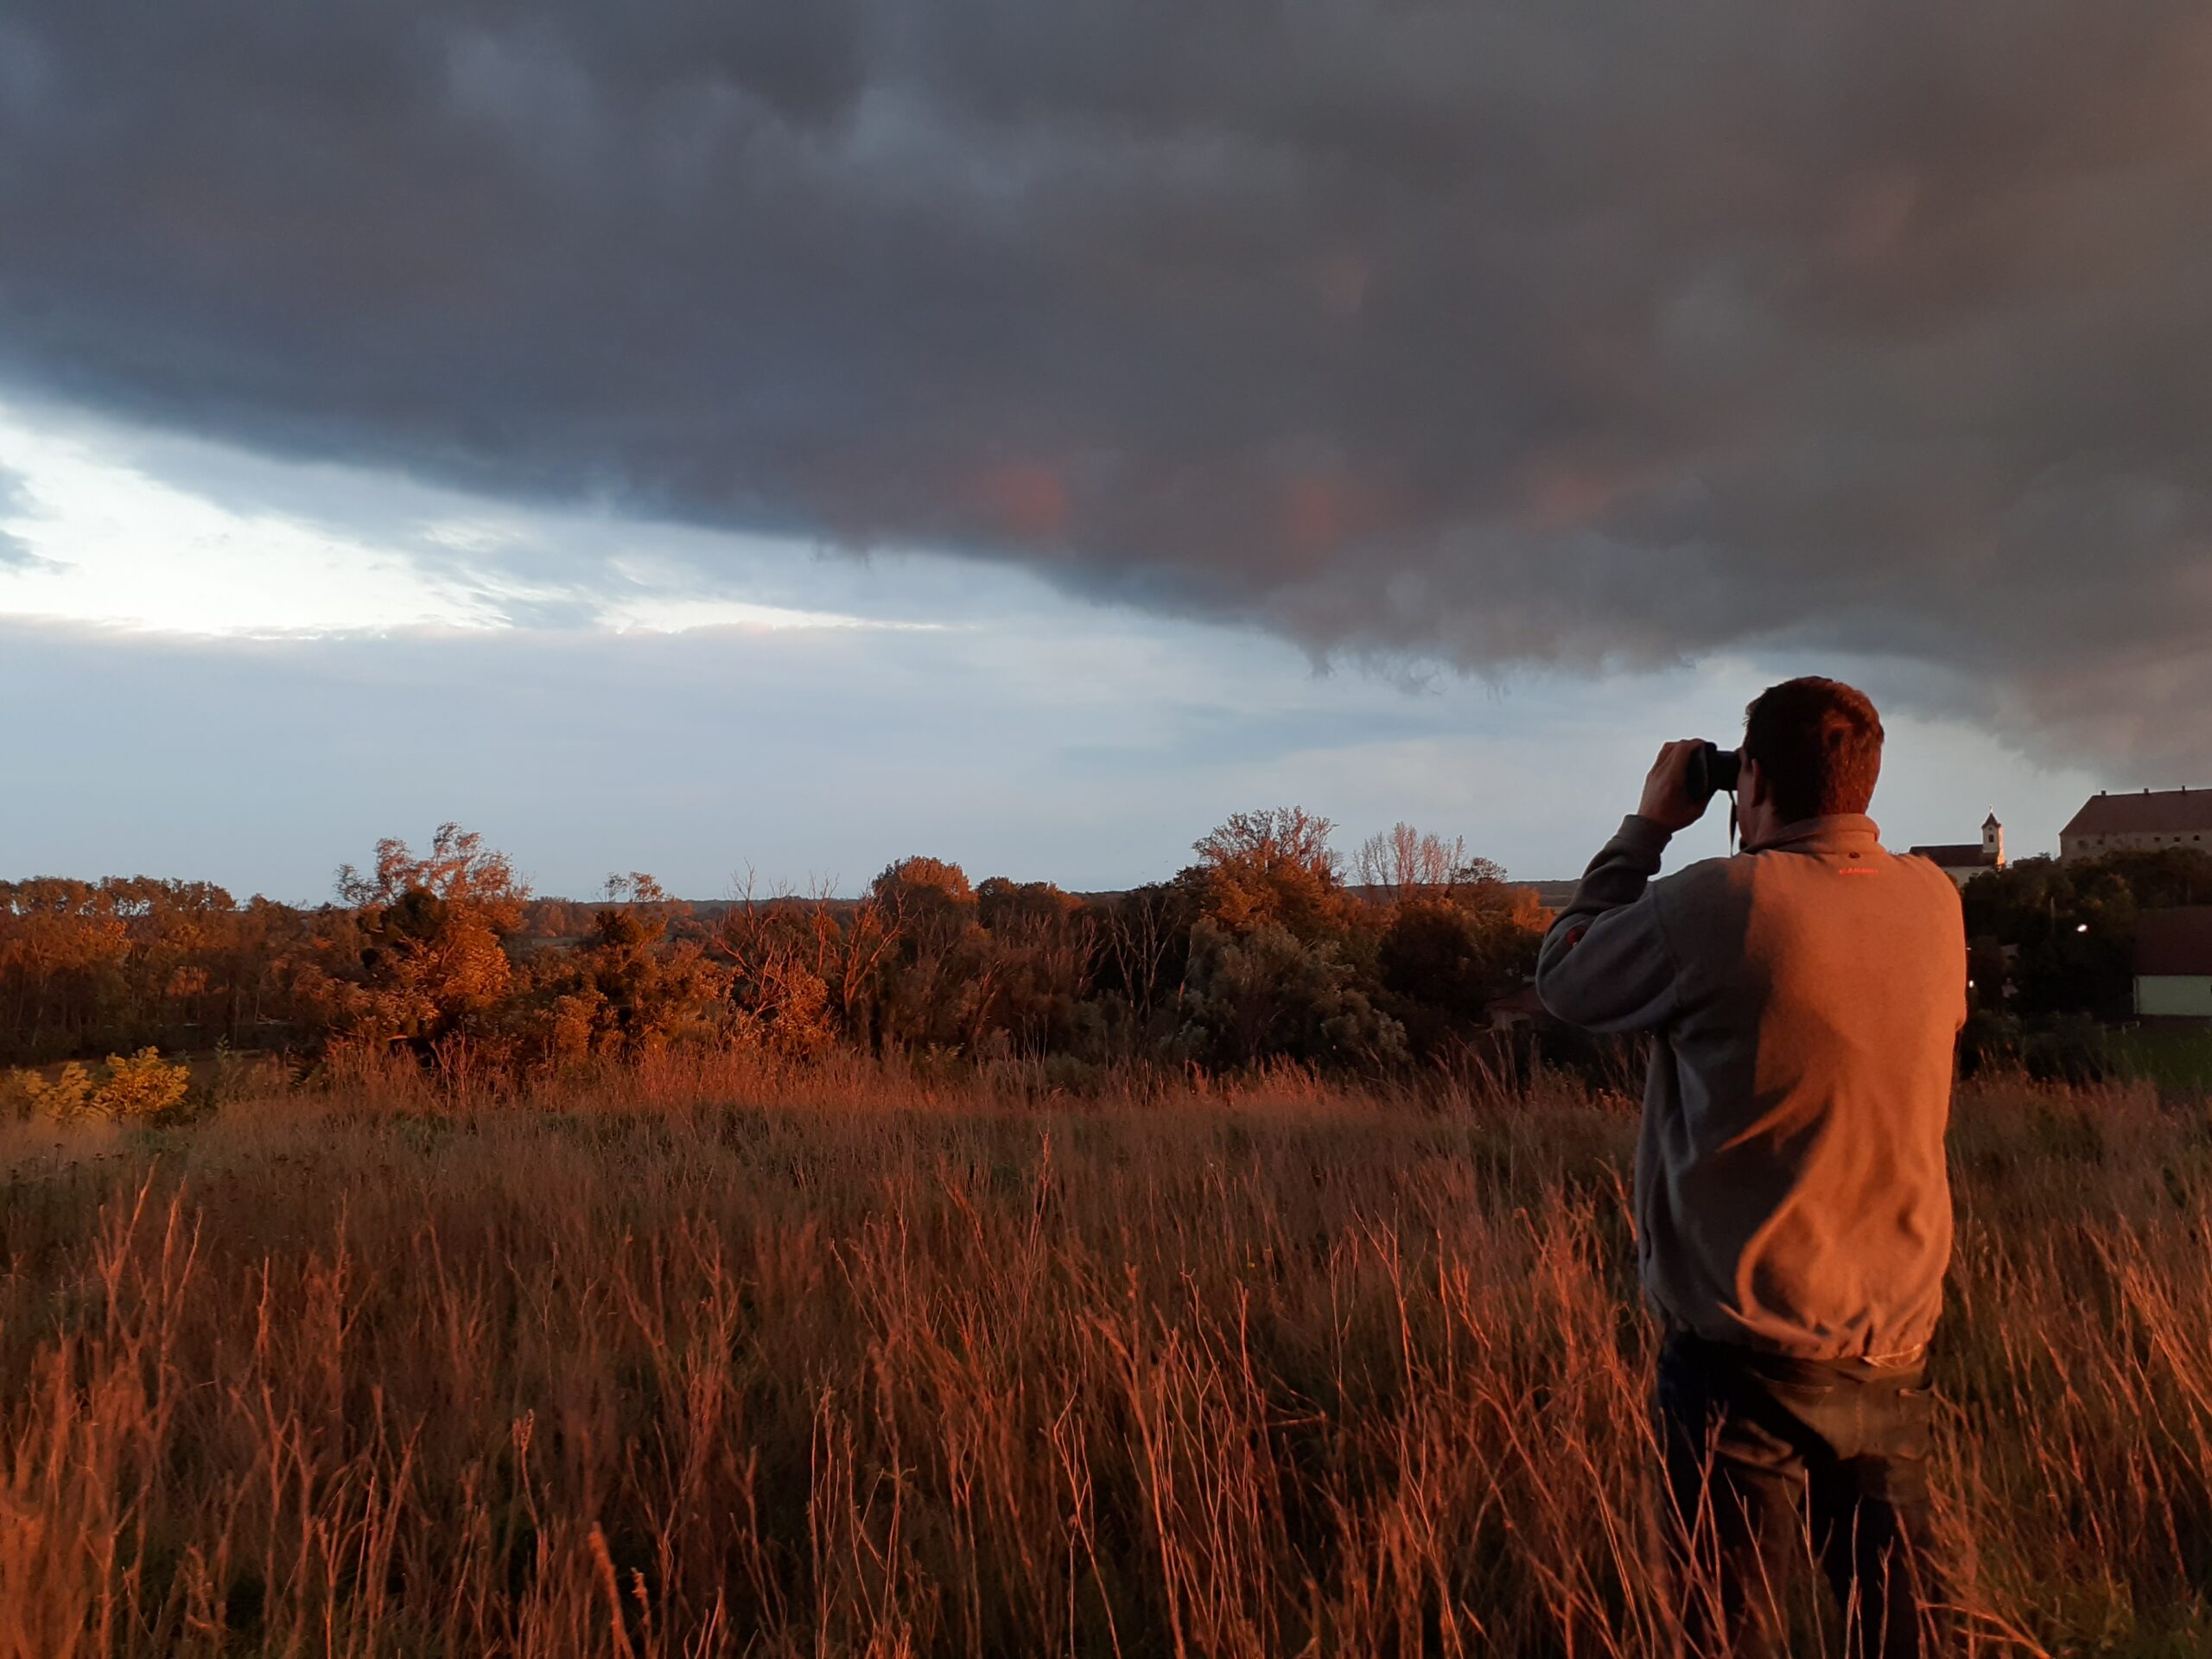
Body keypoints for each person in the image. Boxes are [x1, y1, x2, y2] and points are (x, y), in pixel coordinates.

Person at [1535, 677, 1966, 1658]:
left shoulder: (1721, 904)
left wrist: (1647, 825)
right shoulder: (1935, 901)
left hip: (1742, 1356)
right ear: (1864, 781)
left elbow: (1565, 974)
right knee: (1906, 1632)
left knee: (1719, 1633)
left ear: (1752, 778)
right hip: (1893, 1346)